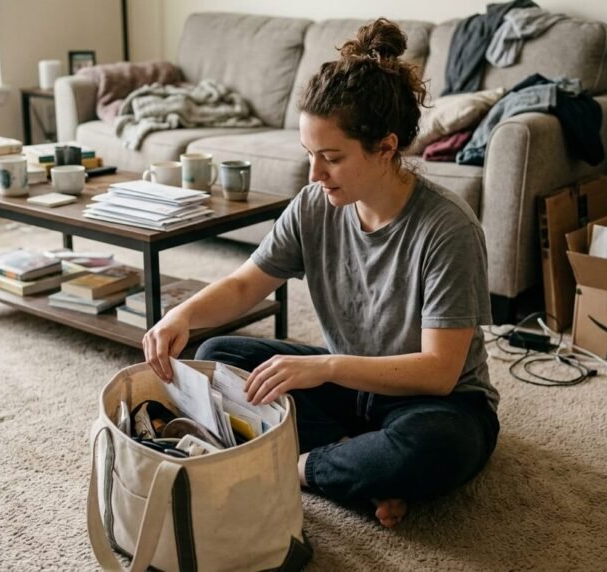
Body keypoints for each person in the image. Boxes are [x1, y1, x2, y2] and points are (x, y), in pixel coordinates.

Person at [142, 18, 499, 528]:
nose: (314, 175)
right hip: (353, 387)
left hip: (436, 405)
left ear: (386, 146)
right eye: (310, 155)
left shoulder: (447, 228)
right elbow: (247, 282)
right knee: (217, 356)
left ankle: (306, 468)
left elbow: (439, 372)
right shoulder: (315, 205)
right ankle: (357, 471)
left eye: (331, 158)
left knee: (430, 450)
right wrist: (182, 314)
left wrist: (325, 367)